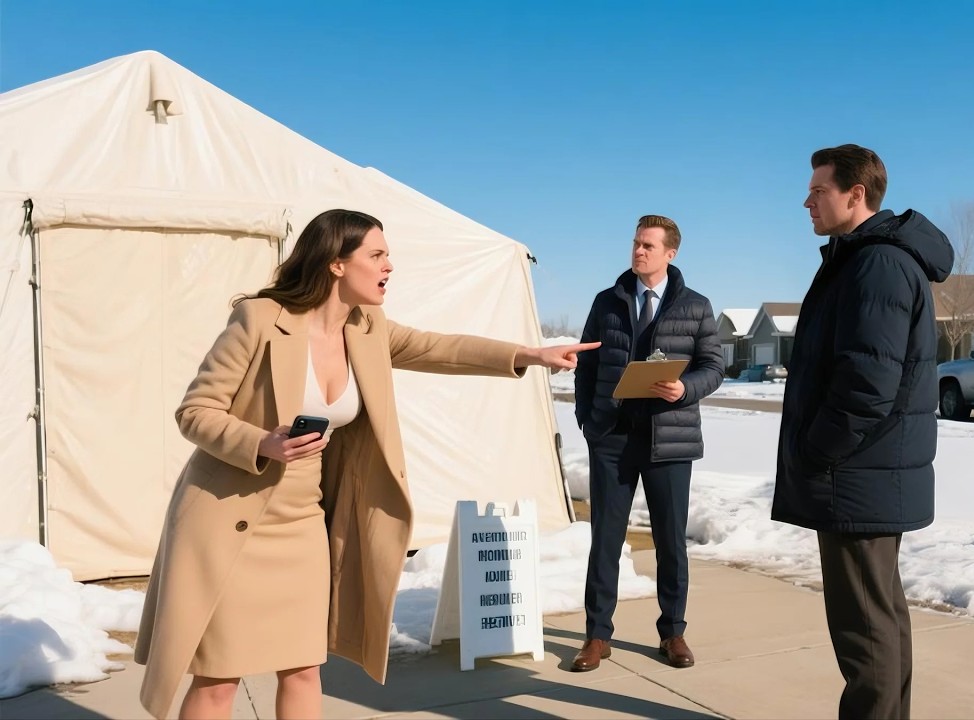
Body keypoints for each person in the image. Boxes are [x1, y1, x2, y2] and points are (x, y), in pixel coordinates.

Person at [133, 209, 598, 720]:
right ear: (336, 263)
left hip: (303, 524)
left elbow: (439, 347)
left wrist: (530, 354)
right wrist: (262, 442)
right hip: (231, 520)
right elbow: (195, 411)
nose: (388, 266)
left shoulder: (367, 327)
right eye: (376, 255)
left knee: (303, 668)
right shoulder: (260, 319)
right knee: (219, 677)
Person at [771, 145, 954, 719]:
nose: (806, 202)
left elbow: (867, 385)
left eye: (818, 191)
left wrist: (815, 451)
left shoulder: (876, 265)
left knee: (866, 635)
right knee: (880, 622)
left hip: (856, 474)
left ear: (856, 194)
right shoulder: (862, 259)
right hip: (866, 473)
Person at [571, 214, 724, 672]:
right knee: (605, 540)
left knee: (670, 542)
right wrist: (587, 421)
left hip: (669, 440)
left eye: (648, 246)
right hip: (612, 438)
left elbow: (714, 366)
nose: (638, 251)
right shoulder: (607, 302)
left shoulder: (696, 307)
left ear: (670, 254)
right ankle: (597, 636)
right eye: (636, 243)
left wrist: (685, 389)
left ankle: (672, 633)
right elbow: (586, 366)